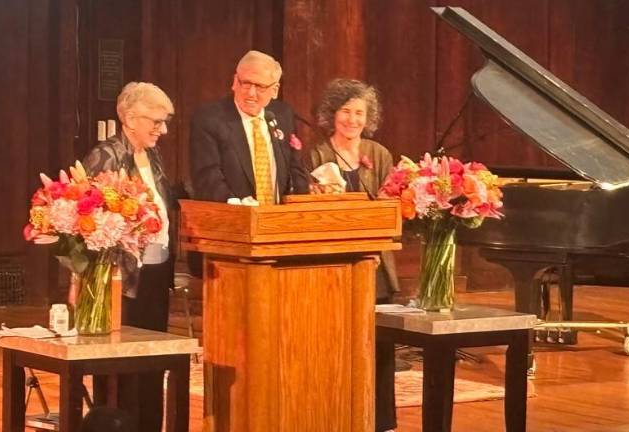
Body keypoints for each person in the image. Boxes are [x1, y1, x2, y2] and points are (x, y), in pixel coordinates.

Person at [81, 81, 176, 432]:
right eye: (156, 121)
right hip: (121, 276)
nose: (162, 130)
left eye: (164, 122)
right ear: (130, 119)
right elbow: (90, 219)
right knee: (120, 365)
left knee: (152, 360)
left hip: (155, 272)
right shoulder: (106, 156)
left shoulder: (152, 155)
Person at [307, 78, 399, 432]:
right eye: (345, 111)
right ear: (332, 114)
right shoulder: (317, 154)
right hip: (334, 263)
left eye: (359, 113)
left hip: (376, 264)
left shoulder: (379, 154)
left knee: (379, 344)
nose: (352, 119)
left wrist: (374, 240)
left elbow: (391, 208)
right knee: (336, 344)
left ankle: (381, 422)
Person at [189, 50, 309, 204]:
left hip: (279, 215)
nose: (251, 93)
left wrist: (302, 198)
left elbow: (295, 167)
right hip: (233, 214)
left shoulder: (283, 114)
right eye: (246, 83)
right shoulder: (210, 119)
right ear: (235, 82)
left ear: (275, 90)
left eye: (260, 86)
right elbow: (207, 176)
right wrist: (236, 205)